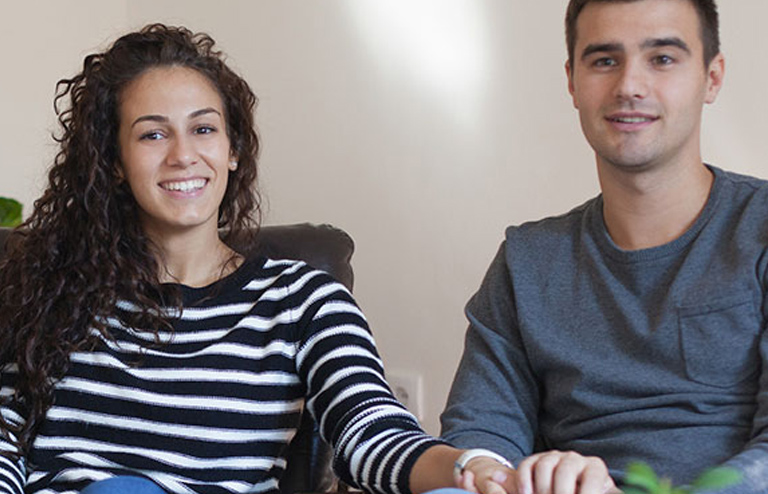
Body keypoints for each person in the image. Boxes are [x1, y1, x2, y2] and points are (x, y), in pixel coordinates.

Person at [0, 24, 510, 494]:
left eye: (203, 129)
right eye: (153, 134)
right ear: (114, 162)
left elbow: (370, 429)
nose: (182, 154)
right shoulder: (50, 289)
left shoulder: (302, 300)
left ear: (233, 149)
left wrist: (471, 469)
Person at [441, 1, 767, 493]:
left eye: (662, 59)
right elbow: (480, 435)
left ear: (712, 77)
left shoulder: (758, 228)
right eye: (605, 60)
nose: (629, 86)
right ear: (573, 81)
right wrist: (494, 476)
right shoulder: (528, 260)